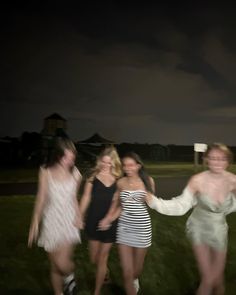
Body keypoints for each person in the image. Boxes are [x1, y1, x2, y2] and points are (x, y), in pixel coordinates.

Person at [147, 143, 236, 295]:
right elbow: (181, 204)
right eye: (213, 158)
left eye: (222, 158)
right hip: (198, 229)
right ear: (206, 159)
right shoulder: (197, 180)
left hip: (219, 230)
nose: (217, 162)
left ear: (228, 161)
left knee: (219, 278)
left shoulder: (233, 180)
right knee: (208, 279)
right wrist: (155, 202)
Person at [28, 138, 82, 295]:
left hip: (69, 221)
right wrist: (35, 223)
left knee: (62, 263)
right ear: (58, 155)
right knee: (54, 265)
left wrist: (78, 215)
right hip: (51, 220)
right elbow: (41, 198)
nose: (70, 161)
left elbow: (73, 198)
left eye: (72, 157)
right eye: (66, 157)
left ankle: (70, 276)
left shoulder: (76, 174)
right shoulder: (45, 171)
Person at [99, 152, 155, 295]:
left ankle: (135, 279)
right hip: (124, 228)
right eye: (125, 165)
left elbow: (152, 204)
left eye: (131, 165)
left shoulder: (148, 181)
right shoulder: (121, 182)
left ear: (138, 165)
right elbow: (117, 206)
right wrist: (108, 219)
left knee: (136, 270)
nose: (127, 168)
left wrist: (149, 199)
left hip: (142, 228)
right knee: (127, 272)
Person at [80, 146, 122, 295]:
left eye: (109, 163)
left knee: (103, 258)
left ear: (114, 163)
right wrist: (79, 215)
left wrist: (109, 219)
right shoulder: (92, 177)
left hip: (109, 224)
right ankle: (105, 272)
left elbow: (119, 205)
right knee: (94, 258)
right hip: (93, 220)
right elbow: (86, 197)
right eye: (103, 162)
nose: (106, 165)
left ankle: (97, 291)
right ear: (99, 161)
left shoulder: (119, 181)